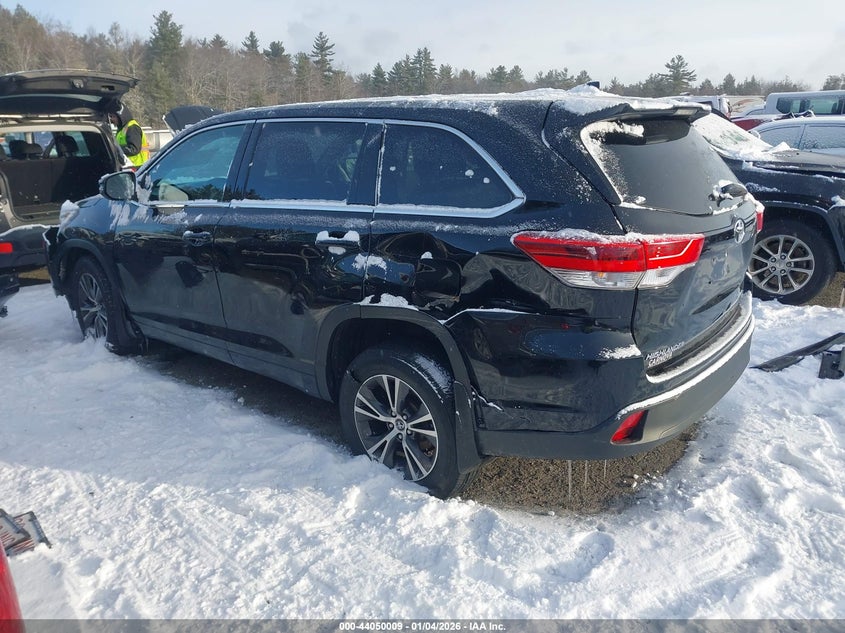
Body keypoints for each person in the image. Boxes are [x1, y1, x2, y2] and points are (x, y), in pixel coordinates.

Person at [109, 103, 149, 168]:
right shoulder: (122, 129)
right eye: (111, 117)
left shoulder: (132, 127)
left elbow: (134, 149)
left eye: (113, 117)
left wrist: (116, 149)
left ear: (120, 116)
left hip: (137, 166)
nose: (111, 120)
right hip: (129, 165)